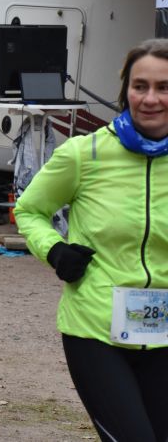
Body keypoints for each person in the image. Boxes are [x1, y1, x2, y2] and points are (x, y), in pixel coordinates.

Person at [14, 38, 168, 442]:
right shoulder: (86, 154)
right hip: (96, 331)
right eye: (140, 86)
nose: (151, 98)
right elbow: (29, 211)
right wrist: (55, 250)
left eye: (164, 87)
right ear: (125, 91)